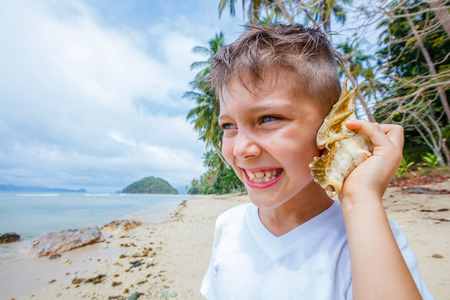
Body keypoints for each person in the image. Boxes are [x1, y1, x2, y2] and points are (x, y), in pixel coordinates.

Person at [200, 23, 434, 300]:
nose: (240, 149)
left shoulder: (369, 237)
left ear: (331, 126)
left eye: (269, 118)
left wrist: (360, 198)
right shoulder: (229, 225)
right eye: (228, 126)